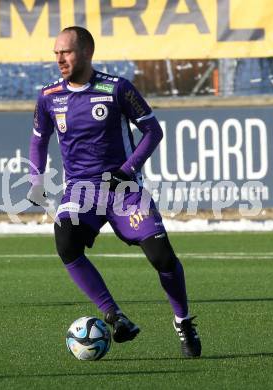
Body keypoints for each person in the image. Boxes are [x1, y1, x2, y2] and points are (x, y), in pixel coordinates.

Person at [28, 26, 201, 358]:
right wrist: (35, 179)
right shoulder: (49, 96)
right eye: (56, 53)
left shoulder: (117, 89)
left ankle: (183, 322)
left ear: (87, 53)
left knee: (163, 258)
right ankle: (113, 314)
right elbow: (38, 139)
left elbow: (152, 131)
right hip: (80, 192)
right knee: (66, 242)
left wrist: (127, 169)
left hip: (124, 191)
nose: (59, 59)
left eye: (66, 52)